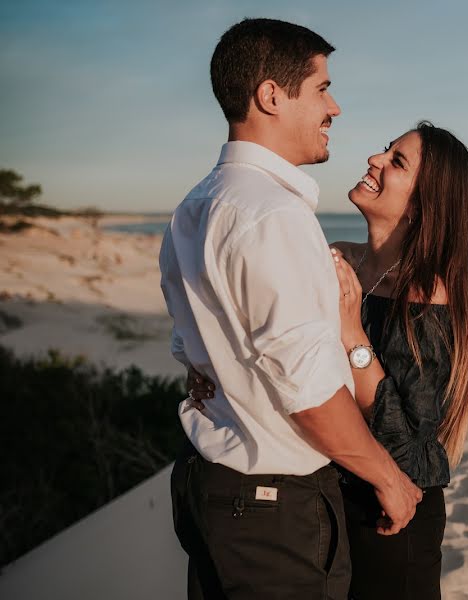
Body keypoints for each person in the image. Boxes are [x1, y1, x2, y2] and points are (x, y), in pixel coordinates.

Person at [160, 19, 421, 599]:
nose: (335, 107)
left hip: (209, 482)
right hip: (268, 507)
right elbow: (307, 389)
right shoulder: (272, 213)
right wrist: (388, 478)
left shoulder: (195, 204)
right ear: (271, 96)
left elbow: (192, 350)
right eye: (322, 87)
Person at [189, 121, 468, 599]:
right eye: (386, 149)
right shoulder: (336, 258)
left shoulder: (428, 295)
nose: (375, 159)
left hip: (394, 517)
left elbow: (407, 448)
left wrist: (352, 332)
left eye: (397, 161)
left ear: (424, 204)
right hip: (325, 500)